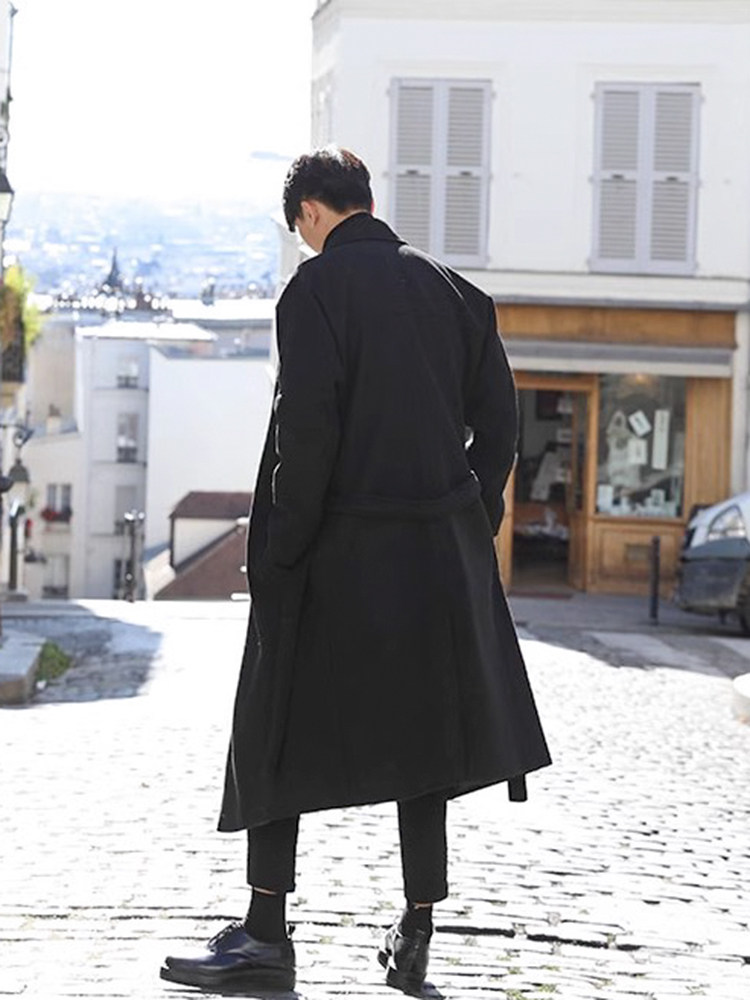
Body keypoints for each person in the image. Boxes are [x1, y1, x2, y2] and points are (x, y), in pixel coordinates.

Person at [160, 147, 551, 996]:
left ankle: (266, 934)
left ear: (310, 212)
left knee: (274, 727)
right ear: (365, 201)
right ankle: (416, 934)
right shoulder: (457, 293)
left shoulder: (314, 291)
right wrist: (464, 521)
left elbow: (308, 432)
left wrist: (283, 553)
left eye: (298, 227)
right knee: (426, 745)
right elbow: (501, 427)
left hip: (335, 552)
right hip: (436, 559)